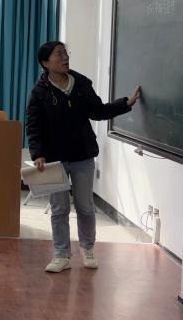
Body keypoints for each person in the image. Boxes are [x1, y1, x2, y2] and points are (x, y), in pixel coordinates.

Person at [25, 41, 140, 273]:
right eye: (59, 54)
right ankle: (61, 255)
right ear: (45, 62)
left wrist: (124, 104)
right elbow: (33, 125)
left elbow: (98, 111)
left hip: (82, 155)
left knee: (85, 206)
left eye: (66, 53)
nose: (65, 57)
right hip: (54, 160)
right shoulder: (39, 92)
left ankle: (88, 249)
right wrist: (38, 154)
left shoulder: (81, 84)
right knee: (59, 209)